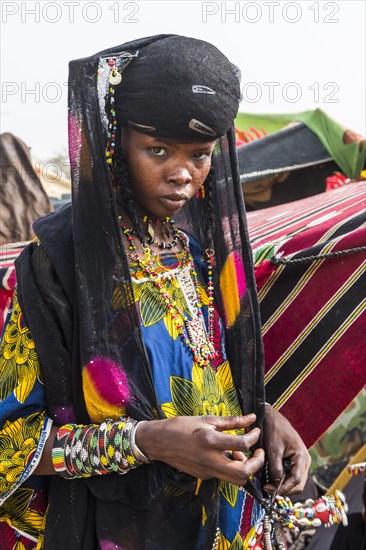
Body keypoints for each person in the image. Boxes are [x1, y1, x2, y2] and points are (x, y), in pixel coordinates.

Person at [0, 35, 310, 549]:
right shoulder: (59, 264)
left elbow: (210, 373)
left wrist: (265, 416)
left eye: (201, 155)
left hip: (224, 526)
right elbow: (10, 447)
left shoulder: (196, 252)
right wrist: (149, 442)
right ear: (114, 141)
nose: (184, 174)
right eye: (158, 150)